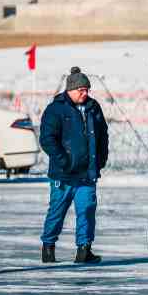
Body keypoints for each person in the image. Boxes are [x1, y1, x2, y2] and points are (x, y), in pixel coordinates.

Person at [39, 67, 109, 264]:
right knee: (57, 211)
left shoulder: (93, 107)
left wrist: (100, 160)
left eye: (87, 90)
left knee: (86, 210)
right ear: (70, 89)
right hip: (63, 174)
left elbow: (103, 135)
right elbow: (47, 139)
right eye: (81, 90)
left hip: (87, 173)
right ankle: (48, 247)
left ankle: (84, 250)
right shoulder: (56, 109)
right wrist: (64, 161)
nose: (85, 93)